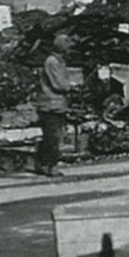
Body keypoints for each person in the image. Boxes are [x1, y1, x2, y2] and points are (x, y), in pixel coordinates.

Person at [33, 33, 81, 175]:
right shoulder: (52, 62)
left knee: (50, 136)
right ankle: (50, 165)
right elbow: (59, 84)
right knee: (53, 137)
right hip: (51, 104)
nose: (69, 49)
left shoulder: (58, 61)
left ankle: (43, 165)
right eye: (68, 46)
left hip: (56, 104)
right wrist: (72, 86)